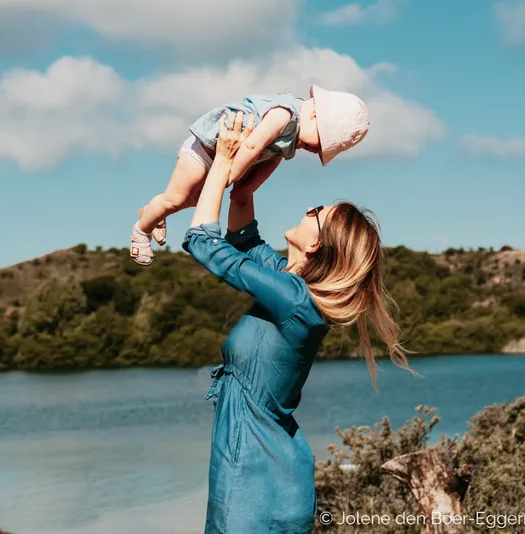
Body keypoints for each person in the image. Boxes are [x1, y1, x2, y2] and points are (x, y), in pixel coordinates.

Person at [182, 111, 416, 533]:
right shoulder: (292, 287)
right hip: (259, 466)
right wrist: (247, 179)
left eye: (316, 212)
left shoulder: (294, 300)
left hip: (255, 477)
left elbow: (204, 243)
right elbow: (245, 239)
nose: (308, 209)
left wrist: (221, 163)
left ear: (316, 244)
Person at [130, 85, 370, 265]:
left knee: (194, 200)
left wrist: (247, 188)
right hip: (206, 147)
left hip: (223, 160)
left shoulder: (293, 136)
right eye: (322, 143)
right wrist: (228, 177)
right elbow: (252, 147)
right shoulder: (284, 114)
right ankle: (142, 228)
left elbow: (272, 159)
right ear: (315, 115)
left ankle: (155, 212)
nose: (317, 150)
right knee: (176, 198)